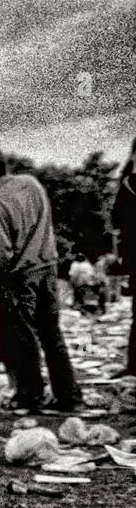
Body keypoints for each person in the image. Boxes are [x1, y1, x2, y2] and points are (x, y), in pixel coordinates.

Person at [0, 147, 78, 411]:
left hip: (21, 275)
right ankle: (68, 394)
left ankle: (30, 393)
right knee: (52, 333)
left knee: (25, 337)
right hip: (48, 265)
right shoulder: (32, 185)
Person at [111, 138, 136, 374]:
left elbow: (116, 222)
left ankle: (133, 365)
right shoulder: (128, 185)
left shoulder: (128, 186)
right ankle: (132, 365)